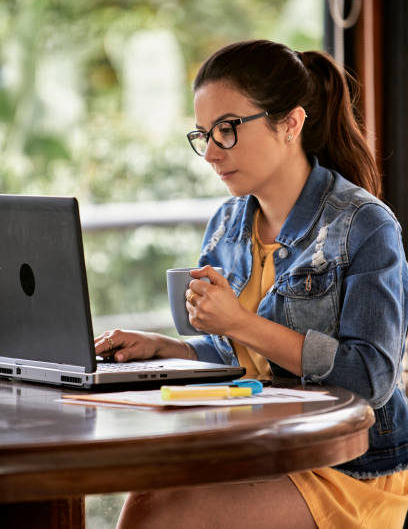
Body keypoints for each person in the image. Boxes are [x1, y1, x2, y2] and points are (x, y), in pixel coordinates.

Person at [95, 40, 408, 528]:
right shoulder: (226, 222)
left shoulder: (365, 225)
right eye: (204, 135)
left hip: (348, 469)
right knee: (147, 500)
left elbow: (371, 379)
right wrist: (163, 347)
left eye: (228, 130)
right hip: (265, 448)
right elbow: (238, 357)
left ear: (291, 123)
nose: (211, 153)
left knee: (160, 518)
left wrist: (239, 321)